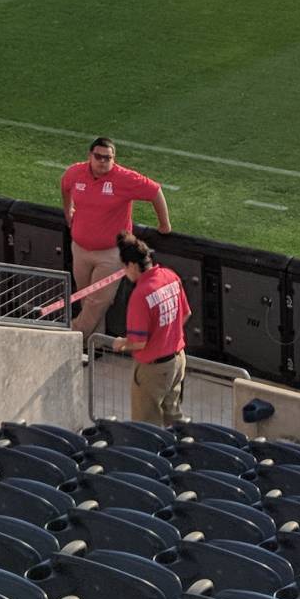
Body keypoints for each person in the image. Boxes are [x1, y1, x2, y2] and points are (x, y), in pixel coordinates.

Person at [59, 138, 168, 339]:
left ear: (113, 159)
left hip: (111, 254)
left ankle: (70, 336)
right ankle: (94, 346)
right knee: (86, 299)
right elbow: (65, 186)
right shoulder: (76, 172)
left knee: (98, 301)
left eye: (107, 158)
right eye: (98, 156)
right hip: (80, 248)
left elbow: (155, 191)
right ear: (89, 156)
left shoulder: (124, 178)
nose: (102, 161)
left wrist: (164, 225)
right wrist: (68, 211)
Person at [107, 234, 187, 425]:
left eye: (124, 267)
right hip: (178, 360)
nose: (124, 272)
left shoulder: (141, 294)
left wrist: (121, 344)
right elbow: (185, 314)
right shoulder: (170, 276)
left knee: (146, 427)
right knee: (174, 420)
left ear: (133, 265)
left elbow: (138, 342)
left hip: (153, 370)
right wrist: (166, 336)